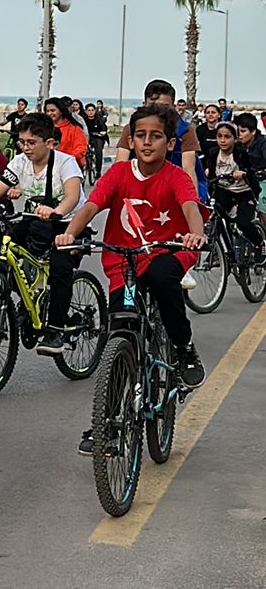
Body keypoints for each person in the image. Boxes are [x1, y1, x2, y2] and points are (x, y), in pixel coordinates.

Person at [56, 103, 205, 450]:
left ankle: (183, 349)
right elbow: (91, 206)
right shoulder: (119, 174)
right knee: (120, 329)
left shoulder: (176, 176)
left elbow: (189, 207)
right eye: (140, 136)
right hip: (126, 260)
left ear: (170, 144)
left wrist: (195, 233)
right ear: (131, 140)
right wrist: (70, 234)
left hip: (169, 251)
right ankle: (106, 423)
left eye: (156, 137)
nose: (147, 143)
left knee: (163, 278)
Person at [0, 114, 83, 354]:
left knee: (59, 266)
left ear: (50, 143)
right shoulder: (19, 162)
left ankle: (55, 329)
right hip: (36, 220)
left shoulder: (66, 163)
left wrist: (57, 211)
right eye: (22, 142)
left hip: (69, 223)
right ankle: (21, 298)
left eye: (32, 142)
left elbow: (73, 196)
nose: (26, 147)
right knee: (1, 246)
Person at [115, 78, 202, 196]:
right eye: (152, 106)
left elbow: (188, 169)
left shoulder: (185, 131)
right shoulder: (131, 129)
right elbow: (119, 166)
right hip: (139, 186)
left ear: (173, 106)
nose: (158, 112)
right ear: (144, 105)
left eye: (164, 107)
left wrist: (192, 203)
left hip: (176, 187)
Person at [210, 121, 263, 257]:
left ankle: (259, 244)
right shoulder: (213, 153)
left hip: (244, 193)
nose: (222, 140)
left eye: (227, 137)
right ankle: (222, 251)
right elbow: (210, 173)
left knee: (243, 223)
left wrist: (244, 173)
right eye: (219, 136)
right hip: (224, 192)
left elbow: (253, 170)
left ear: (235, 138)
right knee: (215, 218)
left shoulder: (241, 154)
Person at [44, 96, 89, 167]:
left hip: (70, 166)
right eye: (47, 111)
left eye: (53, 111)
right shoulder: (44, 128)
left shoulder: (75, 128)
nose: (50, 113)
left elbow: (81, 148)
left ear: (61, 111)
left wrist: (67, 159)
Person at [83, 100, 110, 179]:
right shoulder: (83, 119)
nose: (90, 112)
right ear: (85, 111)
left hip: (98, 137)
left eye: (92, 110)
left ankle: (98, 170)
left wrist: (102, 132)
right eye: (89, 110)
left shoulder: (99, 119)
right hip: (87, 137)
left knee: (98, 150)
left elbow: (103, 128)